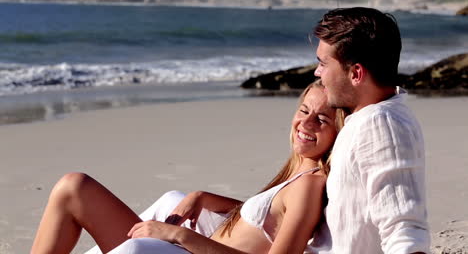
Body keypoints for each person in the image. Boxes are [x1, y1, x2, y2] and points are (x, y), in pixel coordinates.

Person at [31, 80, 346, 254]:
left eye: (321, 119)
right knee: (74, 187)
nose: (305, 122)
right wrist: (205, 197)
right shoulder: (299, 172)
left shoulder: (309, 184)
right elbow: (267, 221)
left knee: (76, 190)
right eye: (303, 110)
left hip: (189, 251)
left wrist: (176, 235)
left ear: (338, 130)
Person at [307, 7, 430, 253]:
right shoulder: (370, 119)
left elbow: (404, 230)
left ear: (356, 73)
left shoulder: (381, 125)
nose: (317, 72)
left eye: (323, 63)